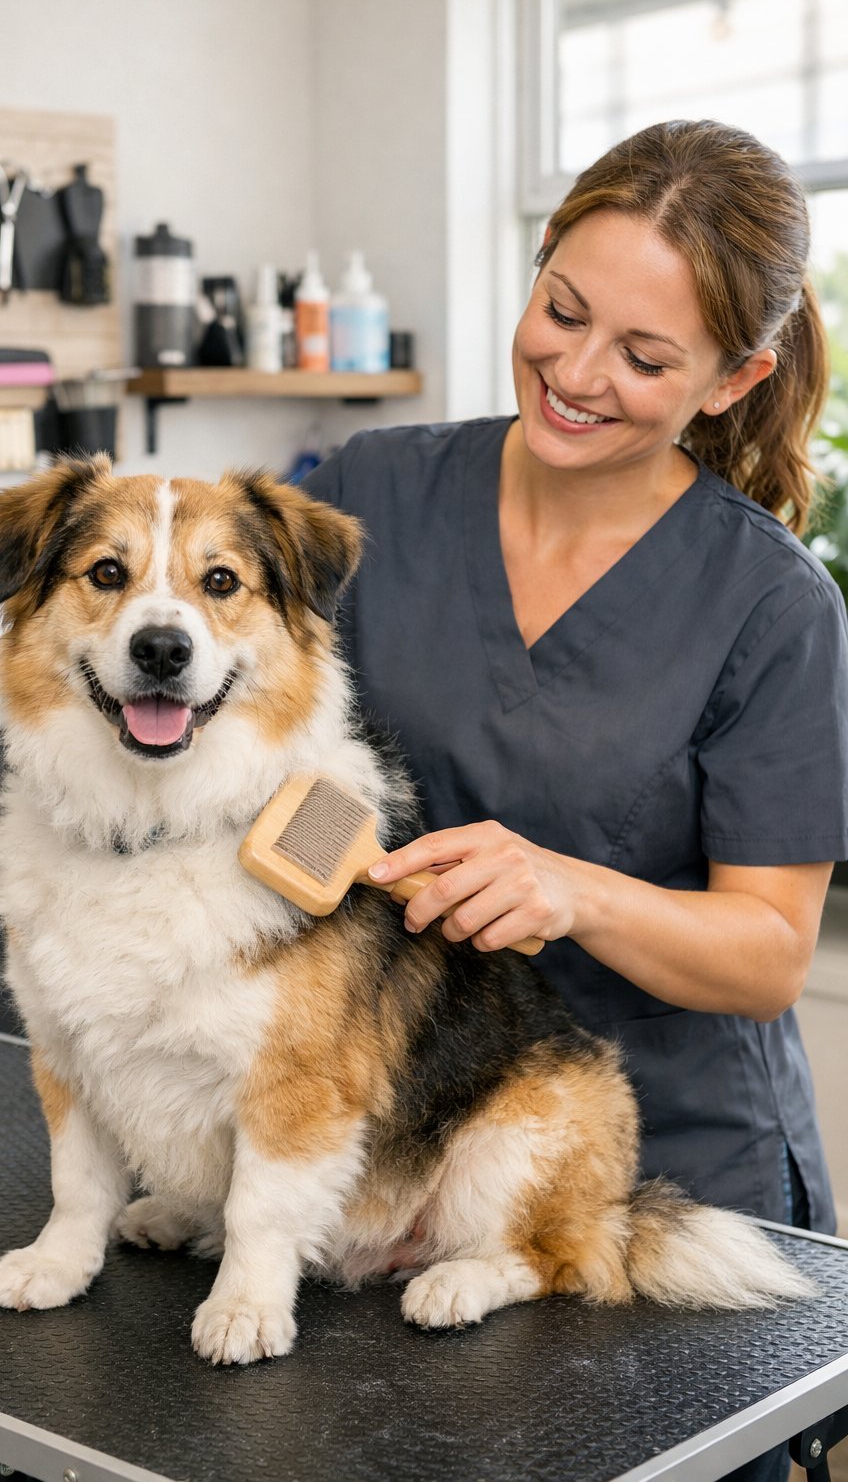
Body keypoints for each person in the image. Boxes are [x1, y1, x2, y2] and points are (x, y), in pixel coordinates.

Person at [301, 119, 848, 1482]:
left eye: (647, 359)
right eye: (562, 311)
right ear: (539, 265)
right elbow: (296, 769)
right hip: (399, 1148)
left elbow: (770, 957)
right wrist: (297, 878)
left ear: (738, 379)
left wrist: (576, 889)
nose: (577, 374)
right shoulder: (371, 496)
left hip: (662, 1168)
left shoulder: (774, 607)